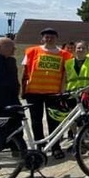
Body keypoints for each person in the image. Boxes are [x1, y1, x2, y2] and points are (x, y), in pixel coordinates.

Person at [21, 27, 70, 159]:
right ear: (42, 38)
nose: (49, 39)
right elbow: (25, 72)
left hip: (53, 92)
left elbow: (66, 74)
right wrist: (23, 90)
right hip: (33, 92)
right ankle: (39, 145)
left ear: (56, 38)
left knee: (54, 120)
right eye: (46, 37)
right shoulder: (32, 51)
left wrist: (62, 91)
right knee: (36, 120)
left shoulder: (65, 54)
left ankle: (55, 146)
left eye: (52, 36)